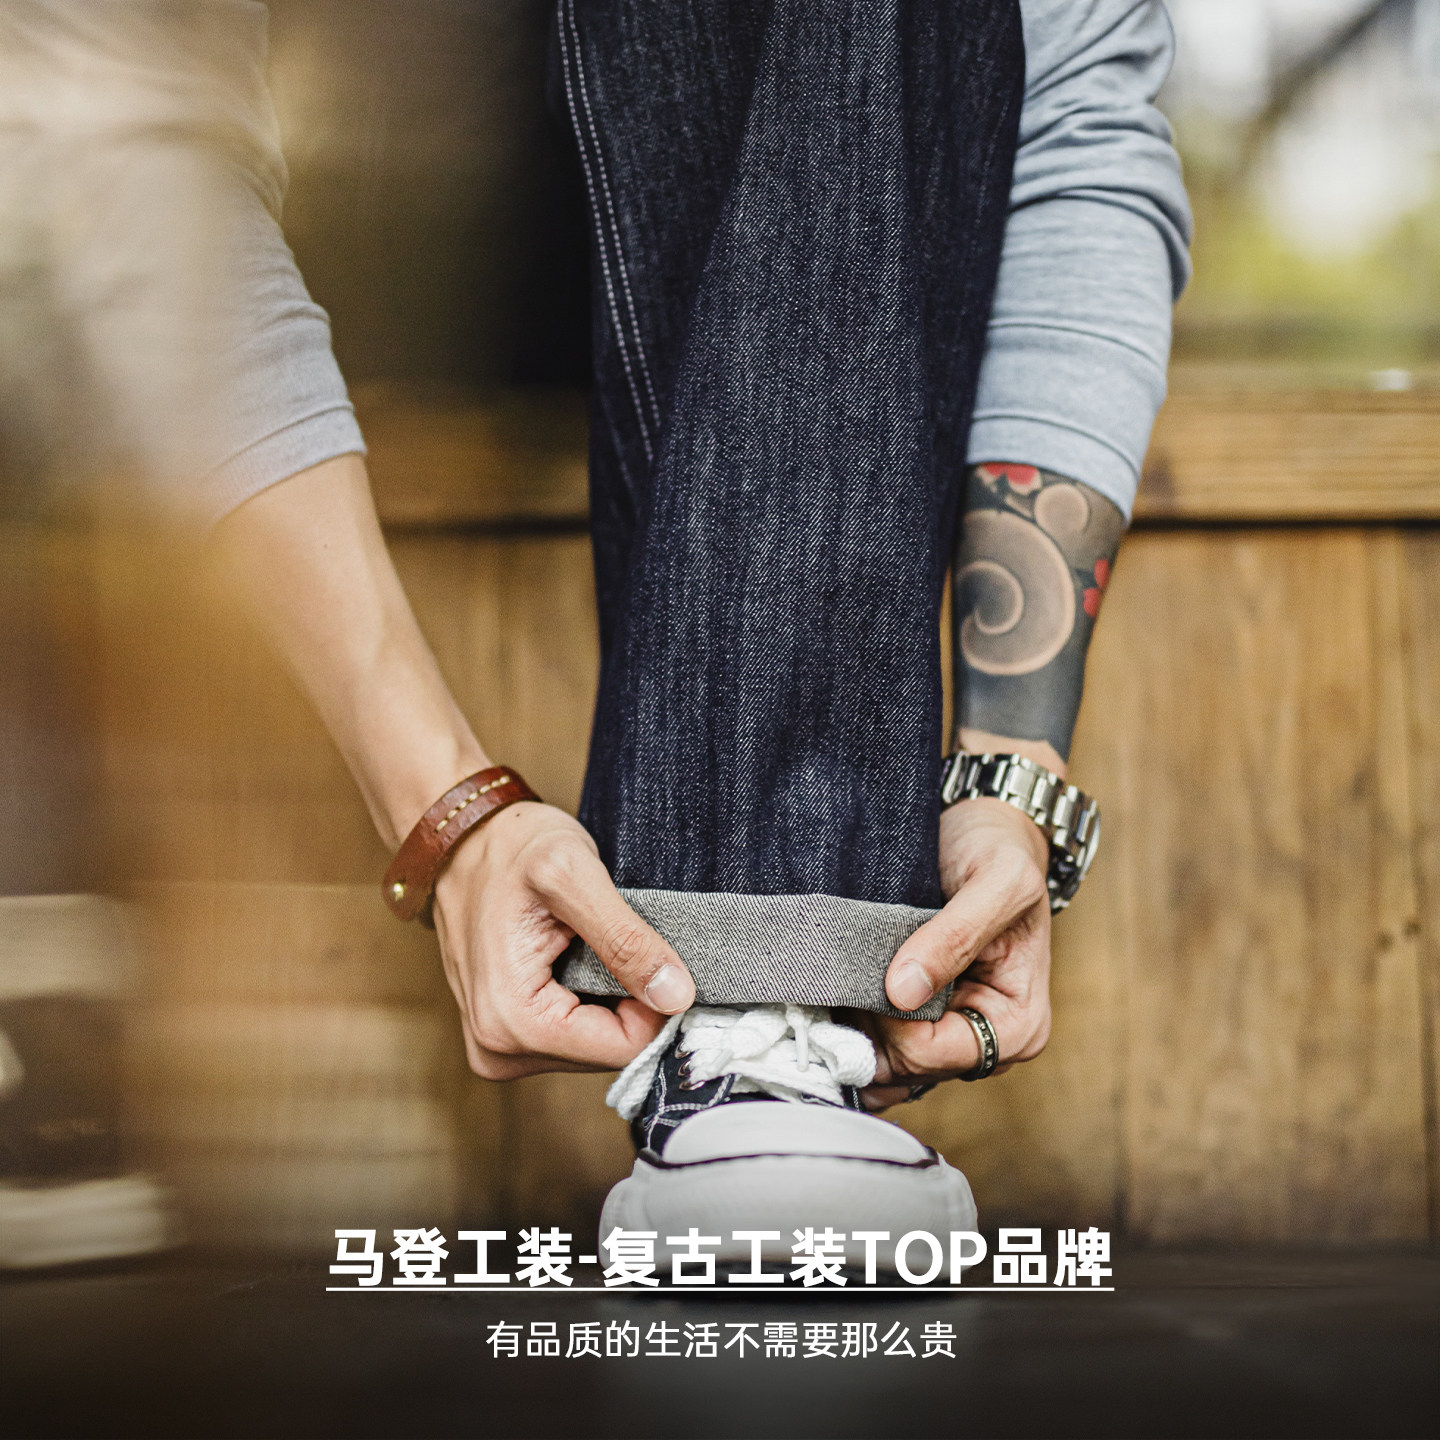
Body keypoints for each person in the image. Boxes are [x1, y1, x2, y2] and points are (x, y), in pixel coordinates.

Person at [9, 0, 1190, 1270]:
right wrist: (442, 809)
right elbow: (108, 144)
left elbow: (1072, 123)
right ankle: (752, 996)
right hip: (395, 220)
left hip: (800, 169)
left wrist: (1014, 764)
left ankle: (767, 998)